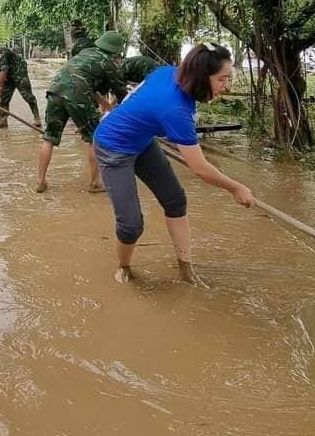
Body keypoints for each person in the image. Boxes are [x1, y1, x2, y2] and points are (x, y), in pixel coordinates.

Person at [92, 43, 254, 285]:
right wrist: (235, 187)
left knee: (175, 199)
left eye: (229, 78)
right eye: (222, 79)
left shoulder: (170, 72)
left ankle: (185, 268)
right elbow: (200, 168)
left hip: (143, 141)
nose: (226, 86)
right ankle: (124, 266)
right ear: (200, 77)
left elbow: (135, 95)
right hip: (113, 147)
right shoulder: (175, 110)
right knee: (131, 224)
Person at [36, 30, 128, 194]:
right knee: (94, 137)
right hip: (78, 95)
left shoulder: (85, 53)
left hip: (55, 90)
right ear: (116, 50)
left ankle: (41, 181)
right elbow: (123, 95)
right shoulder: (109, 64)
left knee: (49, 137)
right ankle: (95, 183)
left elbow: (84, 83)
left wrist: (106, 106)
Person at [0, 45, 42, 128]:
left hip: (19, 70)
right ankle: (2, 121)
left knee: (27, 95)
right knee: (4, 97)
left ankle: (37, 118)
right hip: (7, 75)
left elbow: (4, 70)